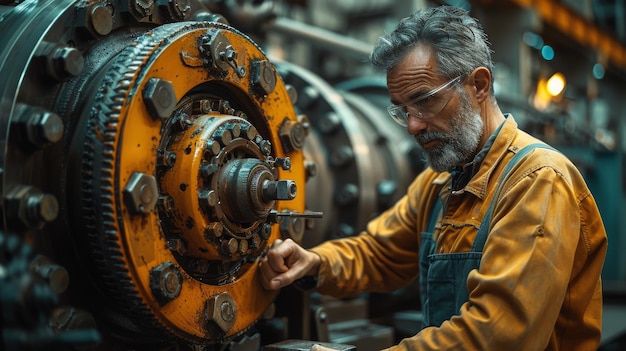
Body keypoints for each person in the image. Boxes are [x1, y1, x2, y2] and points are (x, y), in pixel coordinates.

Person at [259, 5, 608, 351]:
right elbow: (379, 253)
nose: (413, 125)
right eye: (402, 110)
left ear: (480, 85)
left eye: (425, 101)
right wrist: (314, 263)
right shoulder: (442, 182)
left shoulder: (537, 181)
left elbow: (498, 335)